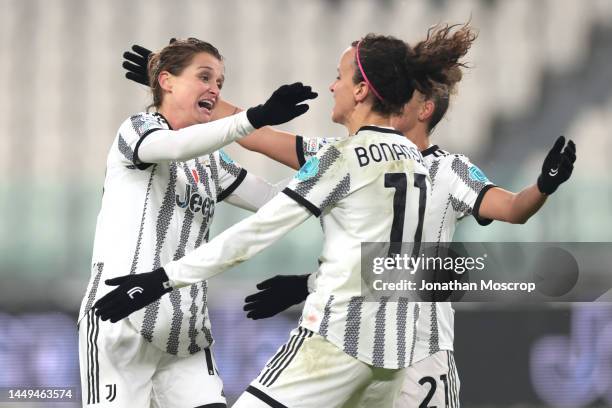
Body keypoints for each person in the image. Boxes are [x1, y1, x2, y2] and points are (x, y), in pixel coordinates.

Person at [121, 25, 575, 407]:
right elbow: (259, 137)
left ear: (424, 108)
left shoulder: (435, 168)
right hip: (387, 349)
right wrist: (195, 97)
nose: (334, 86)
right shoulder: (376, 159)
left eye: (341, 78)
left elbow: (511, 210)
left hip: (410, 348)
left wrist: (542, 188)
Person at [78, 37, 316, 408]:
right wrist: (253, 117)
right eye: (204, 77)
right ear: (166, 81)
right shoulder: (137, 129)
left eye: (220, 83)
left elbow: (273, 201)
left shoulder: (211, 161)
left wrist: (333, 167)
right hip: (121, 320)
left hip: (185, 333)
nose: (214, 89)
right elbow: (174, 146)